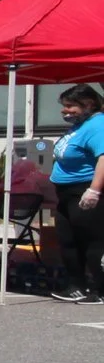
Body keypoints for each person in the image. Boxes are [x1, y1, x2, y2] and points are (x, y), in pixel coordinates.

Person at [49, 85, 104, 303]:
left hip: (84, 190)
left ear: (88, 104)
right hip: (66, 193)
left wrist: (94, 190)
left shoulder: (98, 125)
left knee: (92, 242)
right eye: (64, 106)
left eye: (70, 106)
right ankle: (76, 285)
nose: (65, 111)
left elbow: (103, 158)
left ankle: (100, 289)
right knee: (68, 240)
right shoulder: (79, 126)